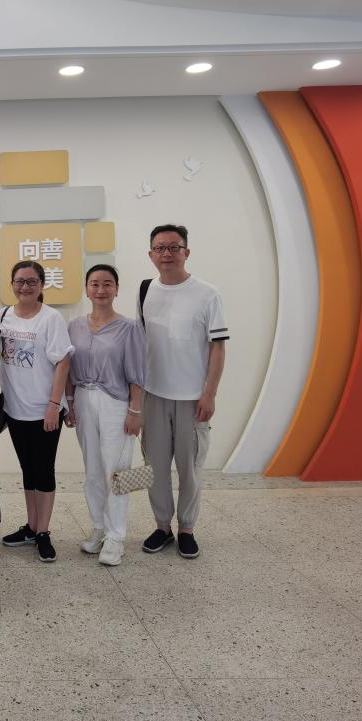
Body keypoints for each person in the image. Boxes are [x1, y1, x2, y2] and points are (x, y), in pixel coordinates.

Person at [140, 224, 228, 560]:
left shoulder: (207, 294)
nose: (166, 254)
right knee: (155, 466)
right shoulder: (145, 291)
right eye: (159, 248)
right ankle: (162, 526)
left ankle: (187, 528)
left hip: (193, 398)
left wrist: (210, 393)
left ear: (186, 252)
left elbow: (218, 347)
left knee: (190, 468)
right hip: (154, 395)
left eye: (173, 247)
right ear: (151, 254)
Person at [65, 264, 146, 566]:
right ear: (87, 289)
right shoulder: (74, 325)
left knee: (118, 470)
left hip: (116, 403)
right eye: (95, 284)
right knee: (94, 470)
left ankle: (116, 536)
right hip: (83, 399)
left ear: (117, 289)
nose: (101, 290)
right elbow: (67, 369)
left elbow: (138, 373)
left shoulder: (130, 328)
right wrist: (69, 403)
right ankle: (99, 527)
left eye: (107, 284)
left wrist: (135, 411)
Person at [0, 260, 74, 563]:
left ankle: (43, 531)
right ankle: (31, 526)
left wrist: (54, 405)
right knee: (28, 469)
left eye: (31, 281)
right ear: (12, 285)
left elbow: (63, 362)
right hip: (15, 409)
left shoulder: (51, 318)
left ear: (41, 285)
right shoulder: (3, 315)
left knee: (44, 470)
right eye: (20, 281)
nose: (25, 287)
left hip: (45, 410)